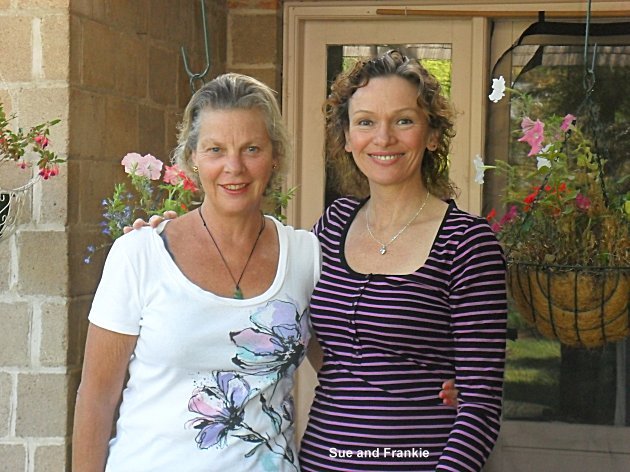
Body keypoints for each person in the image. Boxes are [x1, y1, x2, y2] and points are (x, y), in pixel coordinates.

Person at [72, 73, 322, 471]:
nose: (234, 167)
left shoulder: (307, 257)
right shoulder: (140, 255)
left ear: (275, 156)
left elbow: (348, 373)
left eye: (251, 149)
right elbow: (97, 397)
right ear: (192, 157)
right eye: (215, 149)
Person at [297, 50, 507, 472]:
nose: (383, 138)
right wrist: (168, 238)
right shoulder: (333, 225)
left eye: (404, 120)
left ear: (432, 135)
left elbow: (480, 409)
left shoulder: (466, 243)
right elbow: (310, 335)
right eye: (366, 122)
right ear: (346, 137)